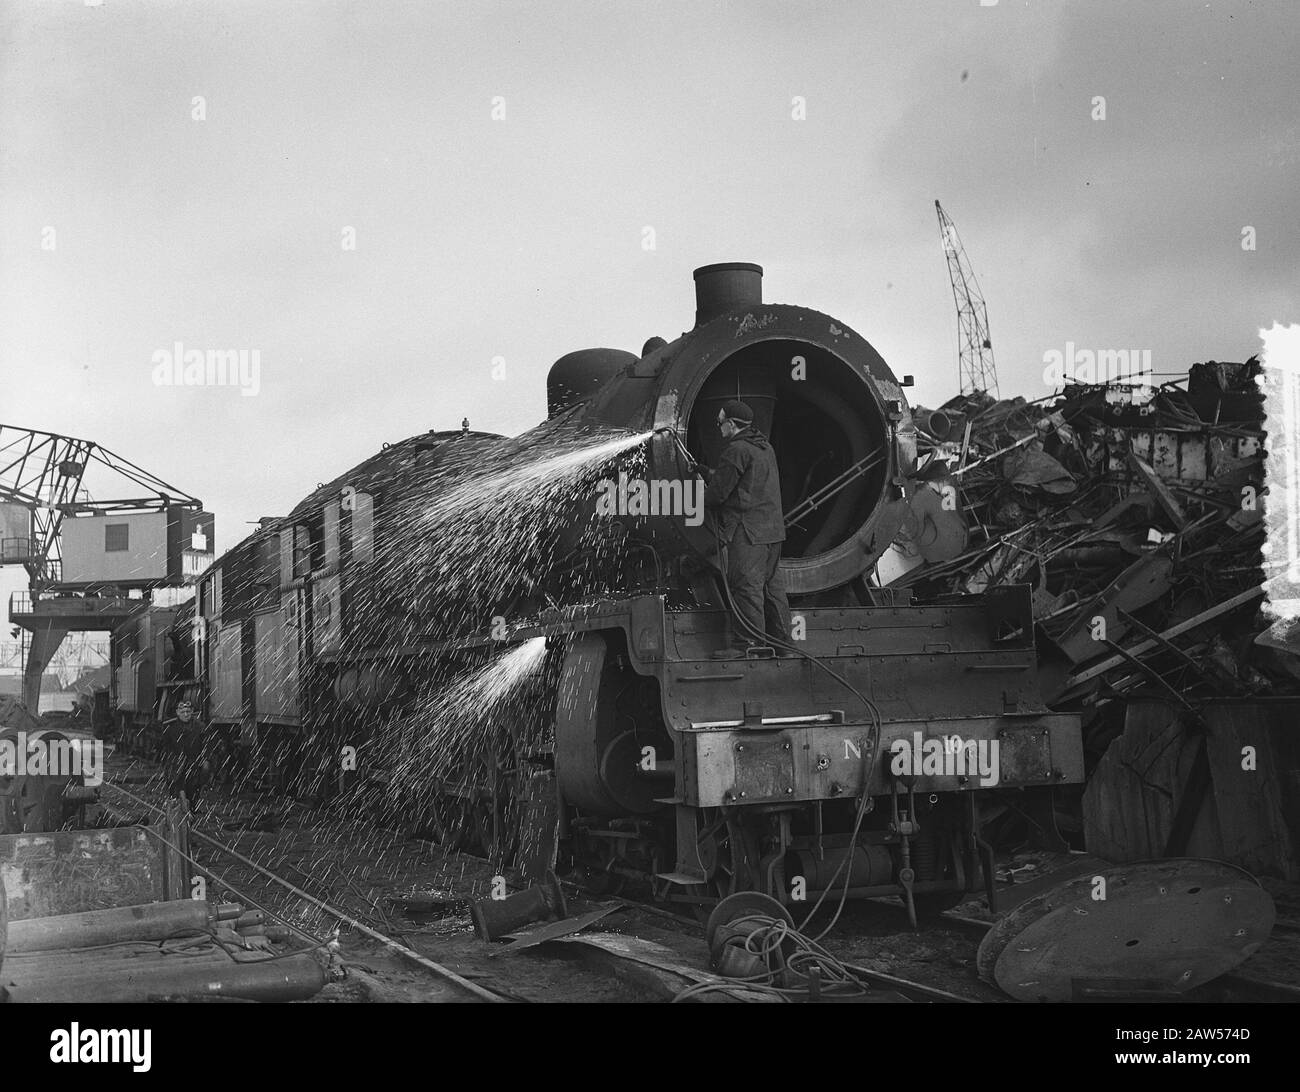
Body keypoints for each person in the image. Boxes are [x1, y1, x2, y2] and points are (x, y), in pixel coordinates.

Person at [696, 399, 792, 659]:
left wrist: (699, 492)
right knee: (772, 591)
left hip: (747, 533)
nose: (718, 427)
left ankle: (747, 645)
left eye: (720, 422)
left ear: (731, 424)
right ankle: (784, 644)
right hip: (771, 532)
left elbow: (718, 495)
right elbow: (746, 480)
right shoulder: (764, 447)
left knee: (746, 588)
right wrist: (709, 472)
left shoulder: (736, 450)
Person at [160, 699, 208, 810]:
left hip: (194, 760)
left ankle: (192, 804)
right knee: (178, 785)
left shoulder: (199, 727)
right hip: (176, 762)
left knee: (194, 782)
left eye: (188, 712)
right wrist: (172, 761)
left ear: (192, 712)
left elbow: (205, 744)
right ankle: (177, 803)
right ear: (177, 712)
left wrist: (204, 759)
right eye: (182, 712)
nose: (186, 714)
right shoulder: (170, 728)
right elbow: (165, 748)